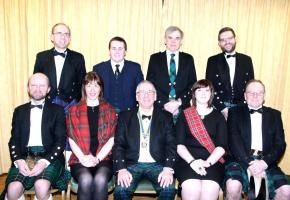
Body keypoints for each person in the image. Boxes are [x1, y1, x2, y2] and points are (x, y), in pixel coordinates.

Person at [1, 73, 67, 200]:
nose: (38, 89)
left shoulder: (57, 110)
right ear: (28, 88)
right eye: (34, 85)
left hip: (50, 157)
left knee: (41, 186)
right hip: (25, 156)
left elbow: (60, 141)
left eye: (42, 85)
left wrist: (44, 162)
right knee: (13, 189)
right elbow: (14, 140)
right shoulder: (19, 111)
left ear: (48, 89)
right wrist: (18, 160)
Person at [225, 80, 290, 200]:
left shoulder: (275, 115)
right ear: (245, 96)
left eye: (259, 93)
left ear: (264, 95)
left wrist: (264, 163)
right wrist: (250, 163)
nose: (255, 96)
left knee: (287, 190)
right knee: (233, 186)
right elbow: (233, 141)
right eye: (251, 93)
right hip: (240, 160)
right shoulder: (234, 112)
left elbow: (280, 144)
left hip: (266, 161)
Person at [113, 80, 177, 200]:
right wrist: (121, 168)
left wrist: (168, 168)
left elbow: (171, 144)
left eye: (150, 92)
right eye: (142, 92)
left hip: (157, 163)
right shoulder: (124, 116)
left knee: (169, 189)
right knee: (121, 190)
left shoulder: (166, 117)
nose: (146, 95)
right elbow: (118, 145)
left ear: (155, 96)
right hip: (131, 163)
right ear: (137, 96)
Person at [66, 72, 117, 200]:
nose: (92, 90)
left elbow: (112, 139)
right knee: (86, 179)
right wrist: (83, 158)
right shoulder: (73, 110)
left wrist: (97, 159)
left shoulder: (110, 110)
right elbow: (71, 138)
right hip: (80, 159)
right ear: (84, 88)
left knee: (100, 179)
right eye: (88, 86)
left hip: (104, 158)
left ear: (101, 88)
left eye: (96, 85)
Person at [175, 79, 227, 200]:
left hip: (213, 161)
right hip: (187, 161)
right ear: (194, 94)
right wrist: (192, 162)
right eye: (199, 90)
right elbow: (179, 145)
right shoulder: (184, 115)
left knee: (209, 188)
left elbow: (222, 146)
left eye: (207, 90)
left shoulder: (219, 116)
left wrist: (207, 162)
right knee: (192, 188)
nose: (203, 93)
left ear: (211, 93)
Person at [146, 26, 197, 120]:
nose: (173, 41)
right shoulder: (155, 58)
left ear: (181, 41)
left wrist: (178, 102)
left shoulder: (188, 59)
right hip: (160, 107)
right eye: (170, 38)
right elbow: (150, 84)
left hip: (183, 109)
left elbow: (193, 84)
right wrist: (166, 103)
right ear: (165, 40)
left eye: (177, 38)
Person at [33, 22, 86, 112]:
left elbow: (82, 83)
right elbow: (36, 81)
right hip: (47, 102)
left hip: (71, 105)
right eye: (59, 33)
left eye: (66, 34)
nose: (63, 37)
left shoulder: (78, 58)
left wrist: (76, 102)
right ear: (52, 37)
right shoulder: (42, 57)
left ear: (69, 38)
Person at [206, 27, 254, 119]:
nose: (227, 42)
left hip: (241, 108)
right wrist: (222, 108)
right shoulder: (212, 61)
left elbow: (251, 86)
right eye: (223, 40)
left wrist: (240, 107)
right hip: (219, 107)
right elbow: (209, 87)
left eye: (230, 38)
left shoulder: (246, 60)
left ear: (235, 39)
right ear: (219, 43)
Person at [93, 36, 144, 112]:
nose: (117, 52)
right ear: (109, 51)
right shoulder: (98, 69)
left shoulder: (135, 68)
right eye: (114, 48)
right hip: (104, 116)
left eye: (120, 49)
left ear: (125, 52)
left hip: (129, 115)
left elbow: (141, 91)